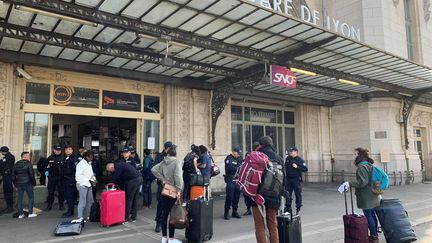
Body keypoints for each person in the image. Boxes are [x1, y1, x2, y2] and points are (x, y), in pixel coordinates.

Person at [343, 147, 382, 243]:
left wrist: (350, 183)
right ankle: (375, 235)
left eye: (355, 154)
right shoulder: (369, 164)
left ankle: (373, 237)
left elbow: (362, 182)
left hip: (366, 196)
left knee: (369, 216)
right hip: (374, 194)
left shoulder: (361, 166)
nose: (354, 156)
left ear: (359, 155)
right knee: (372, 216)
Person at [253, 136, 284, 243]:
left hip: (257, 195)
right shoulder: (279, 158)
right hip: (274, 195)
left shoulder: (255, 155)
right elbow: (284, 180)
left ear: (260, 145)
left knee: (259, 224)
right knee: (273, 223)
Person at [151, 144, 183, 243]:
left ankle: (164, 237)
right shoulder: (177, 162)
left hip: (164, 190)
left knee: (164, 214)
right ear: (175, 154)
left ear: (168, 153)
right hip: (173, 191)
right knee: (172, 215)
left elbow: (153, 169)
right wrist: (178, 190)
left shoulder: (164, 161)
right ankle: (172, 239)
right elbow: (178, 177)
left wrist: (162, 179)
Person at [154, 141, 174, 232]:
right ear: (167, 148)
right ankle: (158, 223)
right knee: (161, 205)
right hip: (162, 185)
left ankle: (167, 224)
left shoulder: (172, 156)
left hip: (171, 184)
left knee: (170, 205)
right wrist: (162, 179)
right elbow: (155, 170)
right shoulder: (159, 157)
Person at [12, 152, 37, 219]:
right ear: (25, 156)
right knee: (31, 198)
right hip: (28, 183)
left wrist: (15, 184)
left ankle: (20, 214)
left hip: (19, 183)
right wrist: (34, 183)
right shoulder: (28, 164)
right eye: (28, 156)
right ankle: (30, 213)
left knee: (19, 199)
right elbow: (31, 175)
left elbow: (13, 175)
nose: (29, 157)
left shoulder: (16, 164)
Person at [284, 146, 308, 215]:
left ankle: (298, 208)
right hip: (288, 179)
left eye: (291, 151)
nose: (290, 152)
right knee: (288, 194)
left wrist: (297, 167)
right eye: (290, 151)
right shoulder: (288, 159)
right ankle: (288, 208)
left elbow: (305, 169)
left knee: (298, 194)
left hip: (296, 179)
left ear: (295, 152)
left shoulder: (300, 160)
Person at [223, 146, 242, 220]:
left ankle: (235, 211)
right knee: (230, 196)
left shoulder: (239, 159)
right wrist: (238, 167)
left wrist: (238, 167)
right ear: (233, 152)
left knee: (237, 195)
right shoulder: (229, 158)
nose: (239, 155)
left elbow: (242, 167)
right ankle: (226, 212)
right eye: (238, 153)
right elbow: (230, 168)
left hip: (237, 179)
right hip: (230, 178)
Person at [75, 151, 95, 221]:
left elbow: (91, 174)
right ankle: (80, 217)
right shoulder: (81, 164)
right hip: (83, 184)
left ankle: (89, 215)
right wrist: (82, 183)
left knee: (90, 201)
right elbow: (78, 176)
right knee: (82, 201)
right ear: (87, 157)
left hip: (89, 184)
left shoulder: (89, 164)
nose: (92, 158)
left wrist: (94, 181)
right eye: (91, 157)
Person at [60, 145, 79, 218]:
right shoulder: (64, 158)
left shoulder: (74, 159)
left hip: (70, 180)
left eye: (69, 149)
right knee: (67, 196)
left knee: (70, 196)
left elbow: (75, 171)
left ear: (72, 150)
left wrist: (73, 181)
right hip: (64, 180)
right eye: (66, 150)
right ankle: (69, 210)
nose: (68, 151)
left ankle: (71, 211)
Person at [45, 145, 65, 211]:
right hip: (52, 177)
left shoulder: (63, 158)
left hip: (60, 177)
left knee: (61, 192)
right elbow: (45, 167)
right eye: (56, 150)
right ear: (54, 150)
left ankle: (61, 205)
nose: (58, 151)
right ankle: (49, 205)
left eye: (59, 150)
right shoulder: (50, 158)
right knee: (51, 192)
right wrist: (46, 173)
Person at [0, 146, 15, 214]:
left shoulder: (10, 157)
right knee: (6, 192)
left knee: (8, 192)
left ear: (3, 151)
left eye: (1, 152)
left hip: (8, 177)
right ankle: (8, 206)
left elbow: (7, 168)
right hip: (5, 177)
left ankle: (10, 207)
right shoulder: (6, 157)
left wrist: (4, 172)